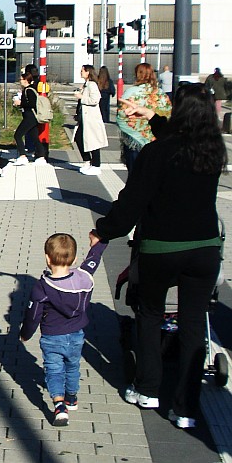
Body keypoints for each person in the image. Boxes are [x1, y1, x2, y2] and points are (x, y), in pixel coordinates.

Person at [92, 82, 227, 430]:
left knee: (149, 314)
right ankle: (185, 409)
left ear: (178, 112)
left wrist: (103, 231)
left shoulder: (156, 154)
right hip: (205, 250)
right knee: (194, 323)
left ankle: (148, 389)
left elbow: (131, 203)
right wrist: (151, 116)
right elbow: (179, 140)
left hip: (162, 250)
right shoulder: (213, 151)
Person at [20, 232, 107, 427]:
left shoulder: (42, 287)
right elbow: (93, 261)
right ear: (74, 259)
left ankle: (59, 405)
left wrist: (25, 334)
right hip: (77, 334)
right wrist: (100, 242)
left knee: (54, 369)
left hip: (52, 336)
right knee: (73, 365)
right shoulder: (83, 278)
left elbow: (33, 316)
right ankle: (72, 397)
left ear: (47, 258)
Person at [117, 63, 171, 169]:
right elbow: (168, 115)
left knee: (135, 174)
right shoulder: (161, 94)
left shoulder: (130, 92)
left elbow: (121, 117)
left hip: (134, 142)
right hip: (156, 140)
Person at [74, 65, 107, 175]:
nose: (80, 72)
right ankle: (88, 161)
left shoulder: (92, 85)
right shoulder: (86, 84)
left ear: (88, 72)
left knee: (93, 141)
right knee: (79, 138)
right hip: (84, 117)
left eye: (82, 70)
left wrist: (81, 97)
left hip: (91, 118)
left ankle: (96, 165)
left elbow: (95, 99)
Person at [12, 70, 48, 165]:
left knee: (18, 135)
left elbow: (32, 103)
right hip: (31, 116)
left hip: (30, 117)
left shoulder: (29, 90)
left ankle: (22, 156)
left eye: (21, 79)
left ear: (25, 80)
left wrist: (20, 103)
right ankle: (41, 156)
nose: (20, 81)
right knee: (34, 136)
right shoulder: (29, 89)